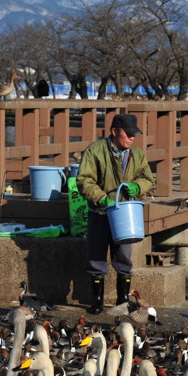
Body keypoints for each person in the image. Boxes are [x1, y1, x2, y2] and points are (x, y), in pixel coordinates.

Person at [76, 113, 155, 314]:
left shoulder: (136, 154)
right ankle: (97, 302)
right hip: (100, 213)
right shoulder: (95, 151)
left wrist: (138, 187)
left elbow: (148, 179)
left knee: (123, 258)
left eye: (134, 135)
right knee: (96, 257)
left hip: (125, 215)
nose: (131, 138)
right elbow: (84, 181)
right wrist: (101, 198)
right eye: (128, 134)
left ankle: (122, 300)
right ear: (114, 132)